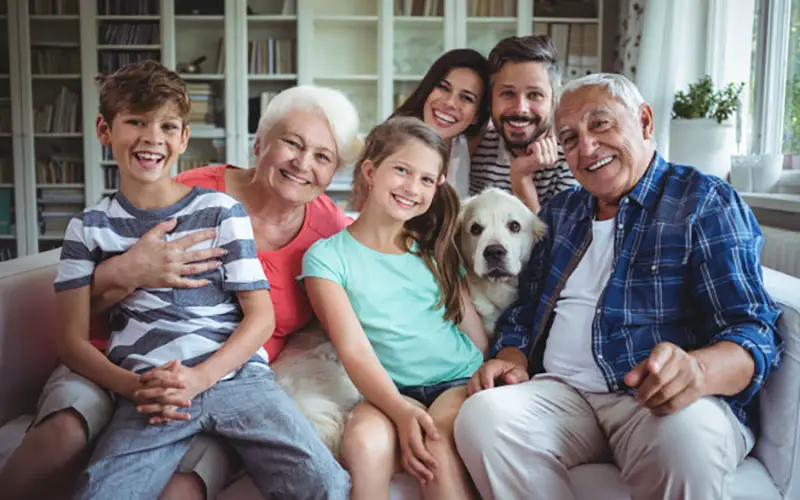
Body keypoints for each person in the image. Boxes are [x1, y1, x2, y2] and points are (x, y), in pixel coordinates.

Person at [0, 66, 361, 499]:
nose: (304, 164)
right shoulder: (160, 197)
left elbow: (268, 315)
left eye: (323, 156)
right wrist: (129, 274)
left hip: (231, 375)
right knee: (85, 465)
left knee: (311, 481)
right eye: (292, 144)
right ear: (260, 144)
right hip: (135, 373)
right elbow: (72, 333)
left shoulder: (253, 216)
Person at [454, 73, 783, 500]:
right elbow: (525, 306)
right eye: (569, 138)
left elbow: (752, 328)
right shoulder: (562, 211)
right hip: (563, 394)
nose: (586, 147)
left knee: (686, 440)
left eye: (601, 124)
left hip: (660, 400)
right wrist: (513, 356)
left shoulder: (703, 202)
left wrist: (698, 371)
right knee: (482, 416)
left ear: (645, 121)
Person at [301, 116, 487, 500]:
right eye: (401, 170)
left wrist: (482, 374)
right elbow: (353, 350)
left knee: (432, 444)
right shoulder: (327, 258)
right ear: (370, 171)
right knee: (363, 444)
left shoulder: (433, 249)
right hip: (386, 391)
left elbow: (473, 332)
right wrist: (399, 411)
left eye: (426, 180)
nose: (411, 187)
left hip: (453, 381)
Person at [470, 35, 577, 213]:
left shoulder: (572, 157)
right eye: (507, 94)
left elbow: (553, 240)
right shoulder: (477, 147)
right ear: (490, 100)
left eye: (534, 94)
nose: (520, 109)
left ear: (554, 100)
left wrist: (521, 177)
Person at [390, 48, 490, 198]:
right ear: (427, 89)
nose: (450, 103)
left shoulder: (464, 146)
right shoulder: (392, 143)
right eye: (443, 87)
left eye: (466, 98)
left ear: (476, 116)